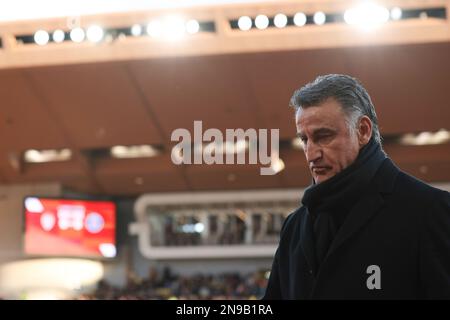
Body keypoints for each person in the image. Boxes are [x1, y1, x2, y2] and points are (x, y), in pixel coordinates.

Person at [263, 74, 450, 299]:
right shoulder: (294, 226)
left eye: (323, 136)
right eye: (305, 140)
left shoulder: (429, 211)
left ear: (362, 131)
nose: (311, 154)